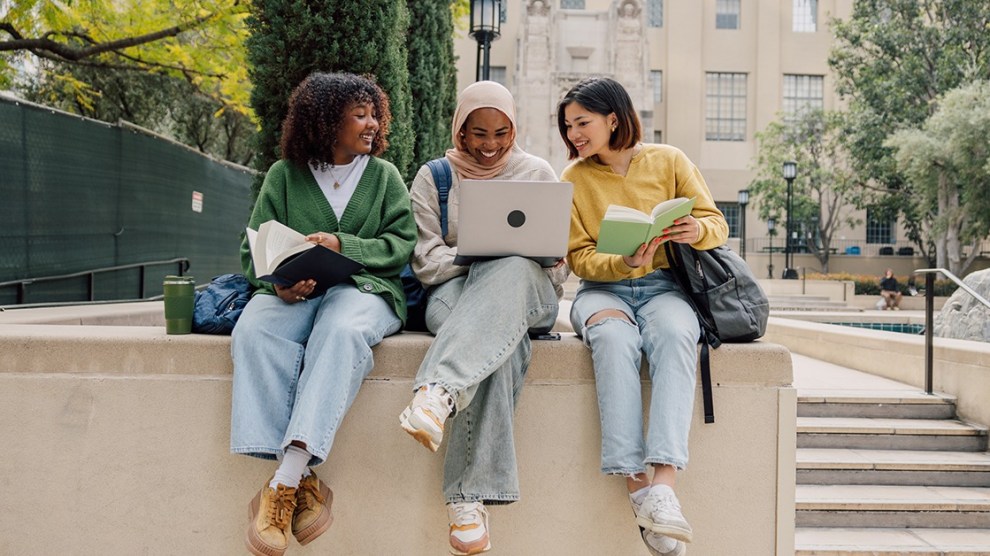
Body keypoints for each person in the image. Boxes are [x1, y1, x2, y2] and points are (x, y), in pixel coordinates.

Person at [230, 72, 416, 556]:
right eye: (360, 114)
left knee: (339, 330)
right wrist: (280, 283)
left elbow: (400, 247)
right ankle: (306, 482)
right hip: (299, 293)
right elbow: (254, 251)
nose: (372, 123)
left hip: (366, 290)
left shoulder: (384, 177)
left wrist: (342, 245)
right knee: (254, 327)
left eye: (375, 113)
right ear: (327, 121)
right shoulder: (283, 175)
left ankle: (283, 483)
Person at [556, 77, 729, 556]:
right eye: (569, 126)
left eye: (582, 123)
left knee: (676, 335)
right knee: (613, 341)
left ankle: (665, 489)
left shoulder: (669, 160)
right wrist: (623, 262)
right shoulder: (571, 178)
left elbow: (717, 222)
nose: (574, 135)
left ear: (614, 118)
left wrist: (695, 228)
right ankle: (638, 493)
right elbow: (577, 257)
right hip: (602, 290)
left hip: (665, 289)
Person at [398, 80, 568, 556]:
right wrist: (479, 256)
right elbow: (426, 261)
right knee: (497, 347)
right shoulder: (435, 177)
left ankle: (438, 392)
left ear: (514, 129)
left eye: (500, 133)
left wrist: (545, 260)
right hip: (453, 295)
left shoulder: (536, 172)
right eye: (478, 133)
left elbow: (561, 270)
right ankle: (467, 504)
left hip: (529, 292)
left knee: (512, 267)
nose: (489, 145)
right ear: (460, 130)